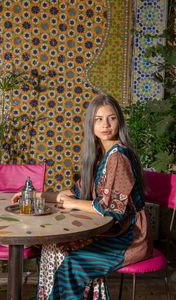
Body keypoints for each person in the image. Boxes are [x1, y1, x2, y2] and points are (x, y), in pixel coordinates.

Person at [11, 94, 153, 300]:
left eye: (111, 118)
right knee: (52, 247)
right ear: (91, 125)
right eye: (99, 119)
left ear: (120, 121)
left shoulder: (119, 157)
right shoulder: (100, 156)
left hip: (130, 237)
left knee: (71, 263)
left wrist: (71, 204)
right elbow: (74, 192)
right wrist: (35, 195)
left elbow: (112, 209)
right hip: (111, 229)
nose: (106, 124)